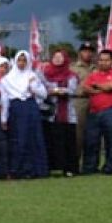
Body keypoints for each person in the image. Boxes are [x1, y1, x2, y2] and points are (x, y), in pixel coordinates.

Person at [2, 51, 48, 179]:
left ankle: (35, 170)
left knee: (33, 138)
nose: (21, 63)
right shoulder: (7, 79)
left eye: (24, 61)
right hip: (16, 109)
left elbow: (43, 94)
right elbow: (5, 99)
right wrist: (3, 118)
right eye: (19, 60)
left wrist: (33, 86)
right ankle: (18, 170)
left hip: (30, 108)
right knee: (18, 139)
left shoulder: (32, 75)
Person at [80, 49, 112, 175]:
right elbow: (84, 88)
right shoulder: (93, 75)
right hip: (94, 111)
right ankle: (90, 167)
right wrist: (100, 87)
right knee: (91, 141)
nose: (103, 63)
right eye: (101, 60)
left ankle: (109, 167)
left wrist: (95, 85)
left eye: (106, 60)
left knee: (111, 140)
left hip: (111, 111)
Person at [41, 48, 79, 177]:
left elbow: (72, 90)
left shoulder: (71, 75)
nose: (57, 59)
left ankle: (70, 169)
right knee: (54, 141)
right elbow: (43, 89)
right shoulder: (46, 74)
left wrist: (59, 91)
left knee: (69, 141)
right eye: (55, 57)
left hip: (68, 113)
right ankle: (55, 168)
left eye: (60, 57)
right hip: (52, 113)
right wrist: (53, 91)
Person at [70, 43, 95, 171]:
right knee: (78, 135)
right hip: (79, 101)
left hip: (95, 101)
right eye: (85, 51)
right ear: (80, 52)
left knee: (93, 135)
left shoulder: (96, 68)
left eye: (90, 51)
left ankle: (90, 165)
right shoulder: (73, 68)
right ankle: (75, 164)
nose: (88, 53)